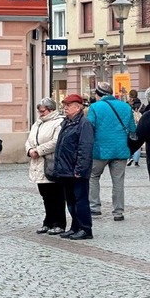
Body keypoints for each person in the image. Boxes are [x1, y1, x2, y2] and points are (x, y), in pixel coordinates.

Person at [87, 81, 135, 222]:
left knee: (93, 176)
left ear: (98, 94)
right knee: (118, 181)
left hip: (99, 150)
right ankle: (118, 212)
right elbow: (132, 129)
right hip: (120, 150)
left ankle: (95, 208)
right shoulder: (125, 106)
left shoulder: (95, 107)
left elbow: (90, 128)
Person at [53, 94, 94, 240]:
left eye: (68, 106)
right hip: (66, 170)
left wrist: (80, 170)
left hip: (76, 171)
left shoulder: (84, 124)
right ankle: (75, 226)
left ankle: (85, 228)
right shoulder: (66, 123)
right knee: (70, 201)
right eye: (64, 106)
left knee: (80, 201)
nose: (65, 109)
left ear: (77, 107)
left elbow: (85, 148)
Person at [25, 98, 66, 235]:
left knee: (56, 195)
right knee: (45, 195)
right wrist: (30, 150)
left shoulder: (58, 122)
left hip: (51, 163)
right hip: (37, 164)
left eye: (42, 111)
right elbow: (29, 139)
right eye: (39, 111)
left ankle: (59, 223)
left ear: (50, 110)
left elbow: (56, 141)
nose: (40, 113)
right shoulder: (38, 123)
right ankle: (48, 221)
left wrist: (39, 150)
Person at [127, 89, 142, 167]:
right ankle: (136, 161)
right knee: (138, 142)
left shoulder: (127, 104)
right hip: (139, 125)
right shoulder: (141, 104)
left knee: (129, 142)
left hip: (129, 125)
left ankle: (129, 157)